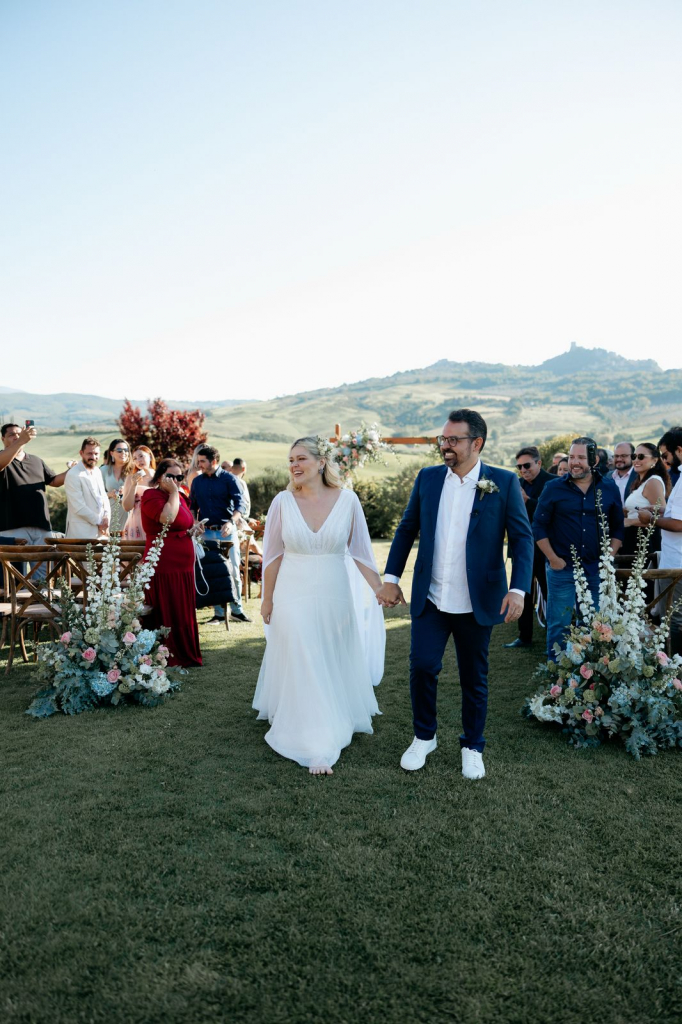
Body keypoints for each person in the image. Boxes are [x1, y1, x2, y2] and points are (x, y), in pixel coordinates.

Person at [375, 409, 533, 781]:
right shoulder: (428, 479)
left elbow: (522, 539)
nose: (444, 446)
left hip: (478, 600)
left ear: (476, 443)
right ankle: (424, 736)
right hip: (431, 598)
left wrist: (518, 589)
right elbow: (406, 528)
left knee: (474, 677)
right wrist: (391, 577)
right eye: (443, 439)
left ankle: (472, 746)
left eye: (453, 440)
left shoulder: (504, 483)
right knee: (423, 667)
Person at [253, 436, 385, 775]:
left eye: (301, 459)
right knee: (302, 651)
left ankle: (328, 714)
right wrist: (267, 599)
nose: (294, 465)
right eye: (290, 460)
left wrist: (380, 589)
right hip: (291, 591)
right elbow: (271, 557)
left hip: (333, 591)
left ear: (321, 462)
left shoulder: (348, 500)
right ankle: (317, 744)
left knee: (325, 653)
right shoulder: (282, 502)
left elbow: (361, 552)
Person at [533, 437, 624, 660]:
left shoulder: (609, 487)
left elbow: (618, 529)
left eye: (581, 457)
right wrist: (553, 559)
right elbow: (538, 526)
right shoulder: (553, 488)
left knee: (593, 625)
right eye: (572, 456)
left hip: (595, 570)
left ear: (594, 460)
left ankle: (587, 676)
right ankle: (557, 679)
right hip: (561, 569)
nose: (574, 462)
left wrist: (608, 557)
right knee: (559, 624)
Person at [140, 458, 202, 667]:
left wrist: (193, 529)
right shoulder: (151, 496)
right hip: (163, 565)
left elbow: (183, 522)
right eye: (170, 476)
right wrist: (174, 493)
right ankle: (166, 655)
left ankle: (186, 652)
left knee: (182, 609)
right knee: (167, 608)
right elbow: (167, 518)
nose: (175, 481)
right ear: (159, 477)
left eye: (179, 477)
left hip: (183, 567)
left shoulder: (181, 498)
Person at [190, 445, 251, 623]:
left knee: (232, 570)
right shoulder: (197, 482)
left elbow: (241, 505)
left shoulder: (230, 479)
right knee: (212, 572)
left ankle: (237, 611)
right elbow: (193, 505)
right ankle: (217, 614)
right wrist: (195, 522)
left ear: (214, 461)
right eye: (198, 461)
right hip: (206, 533)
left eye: (202, 461)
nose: (199, 464)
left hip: (226, 532)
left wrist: (232, 522)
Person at [505, 446, 553, 649]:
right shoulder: (517, 484)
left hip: (546, 548)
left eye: (527, 465)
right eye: (519, 467)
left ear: (539, 463)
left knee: (550, 592)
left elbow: (552, 515)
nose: (523, 470)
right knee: (521, 591)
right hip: (522, 549)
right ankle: (524, 636)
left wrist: (528, 501)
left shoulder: (552, 483)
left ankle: (554, 638)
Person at [639, 427, 682, 654]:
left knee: (674, 620)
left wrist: (651, 519)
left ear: (679, 450)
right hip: (673, 559)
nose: (664, 461)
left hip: (678, 562)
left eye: (665, 455)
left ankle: (675, 676)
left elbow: (679, 524)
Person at [0, 422, 69, 545]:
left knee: (45, 564)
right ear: (2, 439)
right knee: (13, 565)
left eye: (19, 434)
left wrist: (72, 471)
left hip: (42, 527)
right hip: (11, 528)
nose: (16, 437)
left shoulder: (36, 461)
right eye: (12, 435)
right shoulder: (2, 458)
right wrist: (21, 441)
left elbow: (54, 481)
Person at [621, 443, 669, 556]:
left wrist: (630, 521)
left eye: (641, 456)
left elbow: (663, 515)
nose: (636, 460)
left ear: (655, 460)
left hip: (644, 540)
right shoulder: (640, 482)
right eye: (634, 456)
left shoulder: (653, 482)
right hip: (633, 538)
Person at [64, 437, 110, 539]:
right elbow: (78, 507)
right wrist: (99, 522)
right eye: (89, 453)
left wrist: (106, 517)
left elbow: (103, 497)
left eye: (96, 454)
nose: (93, 457)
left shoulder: (98, 471)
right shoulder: (73, 474)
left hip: (101, 533)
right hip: (81, 533)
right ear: (81, 453)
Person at [122, 446, 156, 540]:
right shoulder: (131, 478)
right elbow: (126, 507)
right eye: (135, 459)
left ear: (149, 456)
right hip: (138, 520)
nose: (138, 460)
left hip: (156, 519)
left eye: (141, 456)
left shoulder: (159, 476)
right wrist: (134, 485)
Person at [100, 438, 133, 533]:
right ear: (111, 453)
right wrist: (109, 494)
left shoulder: (134, 470)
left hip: (130, 515)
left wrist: (128, 491)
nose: (123, 452)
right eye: (119, 450)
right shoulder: (103, 470)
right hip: (109, 514)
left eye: (126, 450)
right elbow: (96, 495)